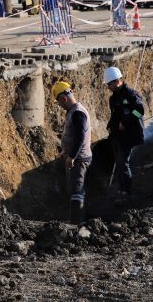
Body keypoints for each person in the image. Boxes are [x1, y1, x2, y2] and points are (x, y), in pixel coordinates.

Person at [52, 80, 92, 223]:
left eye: (59, 102)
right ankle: (76, 221)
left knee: (77, 192)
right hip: (76, 157)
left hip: (79, 158)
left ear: (64, 98)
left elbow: (80, 137)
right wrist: (66, 152)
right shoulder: (74, 111)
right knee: (75, 189)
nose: (60, 105)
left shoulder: (77, 113)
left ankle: (77, 224)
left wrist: (72, 156)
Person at [104, 67, 145, 204]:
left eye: (109, 84)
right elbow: (114, 114)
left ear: (117, 81)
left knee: (123, 162)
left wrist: (125, 122)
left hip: (129, 135)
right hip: (117, 134)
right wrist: (110, 124)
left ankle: (126, 191)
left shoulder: (131, 95)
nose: (108, 87)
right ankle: (122, 189)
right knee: (119, 161)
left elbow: (140, 111)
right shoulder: (113, 98)